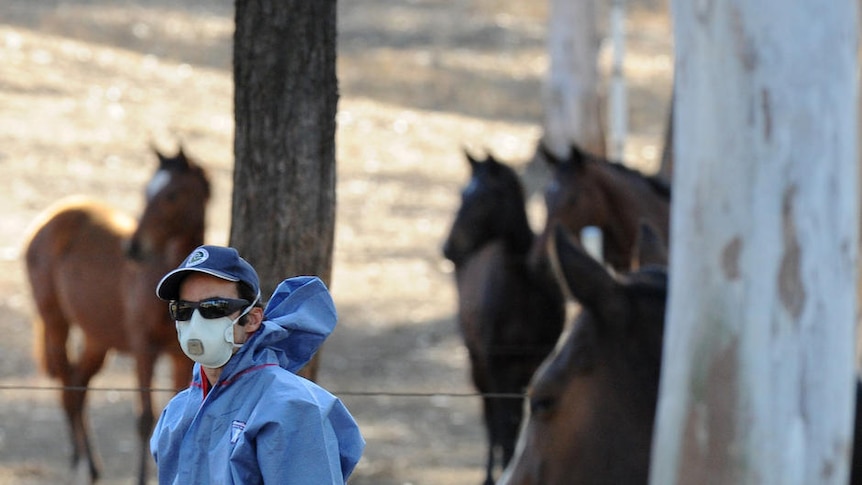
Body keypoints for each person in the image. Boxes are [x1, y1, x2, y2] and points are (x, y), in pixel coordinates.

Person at [149, 244, 365, 484]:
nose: (195, 322)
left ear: (252, 319)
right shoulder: (176, 414)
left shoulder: (294, 409)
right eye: (184, 310)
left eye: (214, 308)